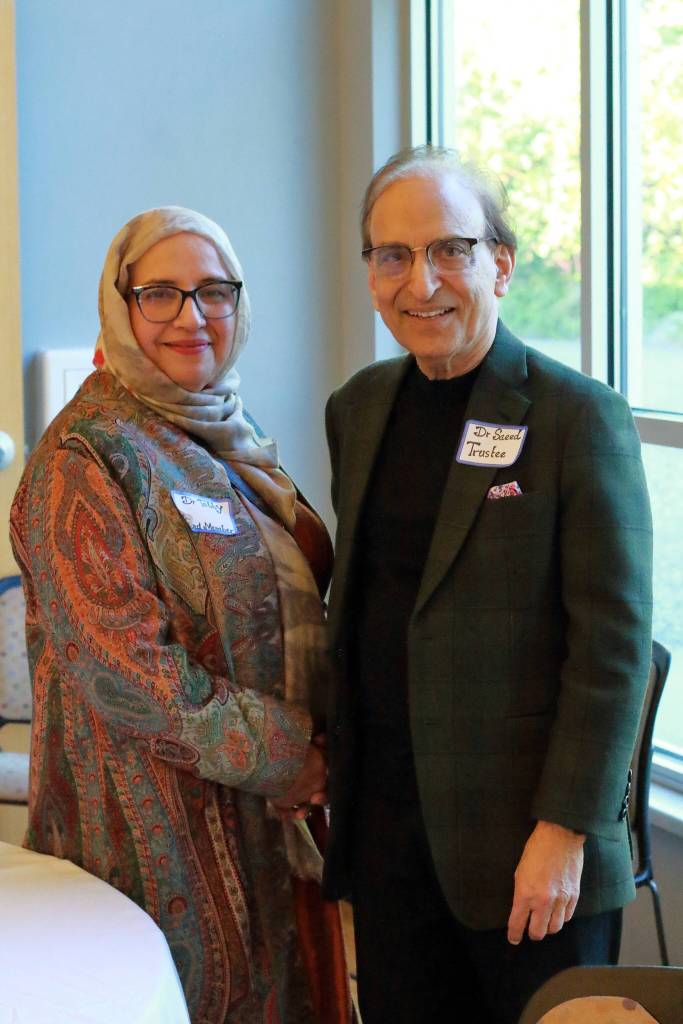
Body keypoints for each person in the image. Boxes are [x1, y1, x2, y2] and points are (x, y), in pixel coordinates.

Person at [322, 146, 653, 1023]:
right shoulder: (357, 409)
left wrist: (565, 827)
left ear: (498, 263)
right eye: (390, 255)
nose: (418, 281)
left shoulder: (576, 417)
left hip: (529, 848)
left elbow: (612, 648)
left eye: (448, 250)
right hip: (391, 835)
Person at [10, 206, 353, 1024]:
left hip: (269, 824)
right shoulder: (84, 458)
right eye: (160, 293)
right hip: (151, 843)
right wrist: (291, 757)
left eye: (214, 291)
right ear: (119, 305)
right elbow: (128, 676)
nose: (191, 317)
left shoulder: (229, 429)